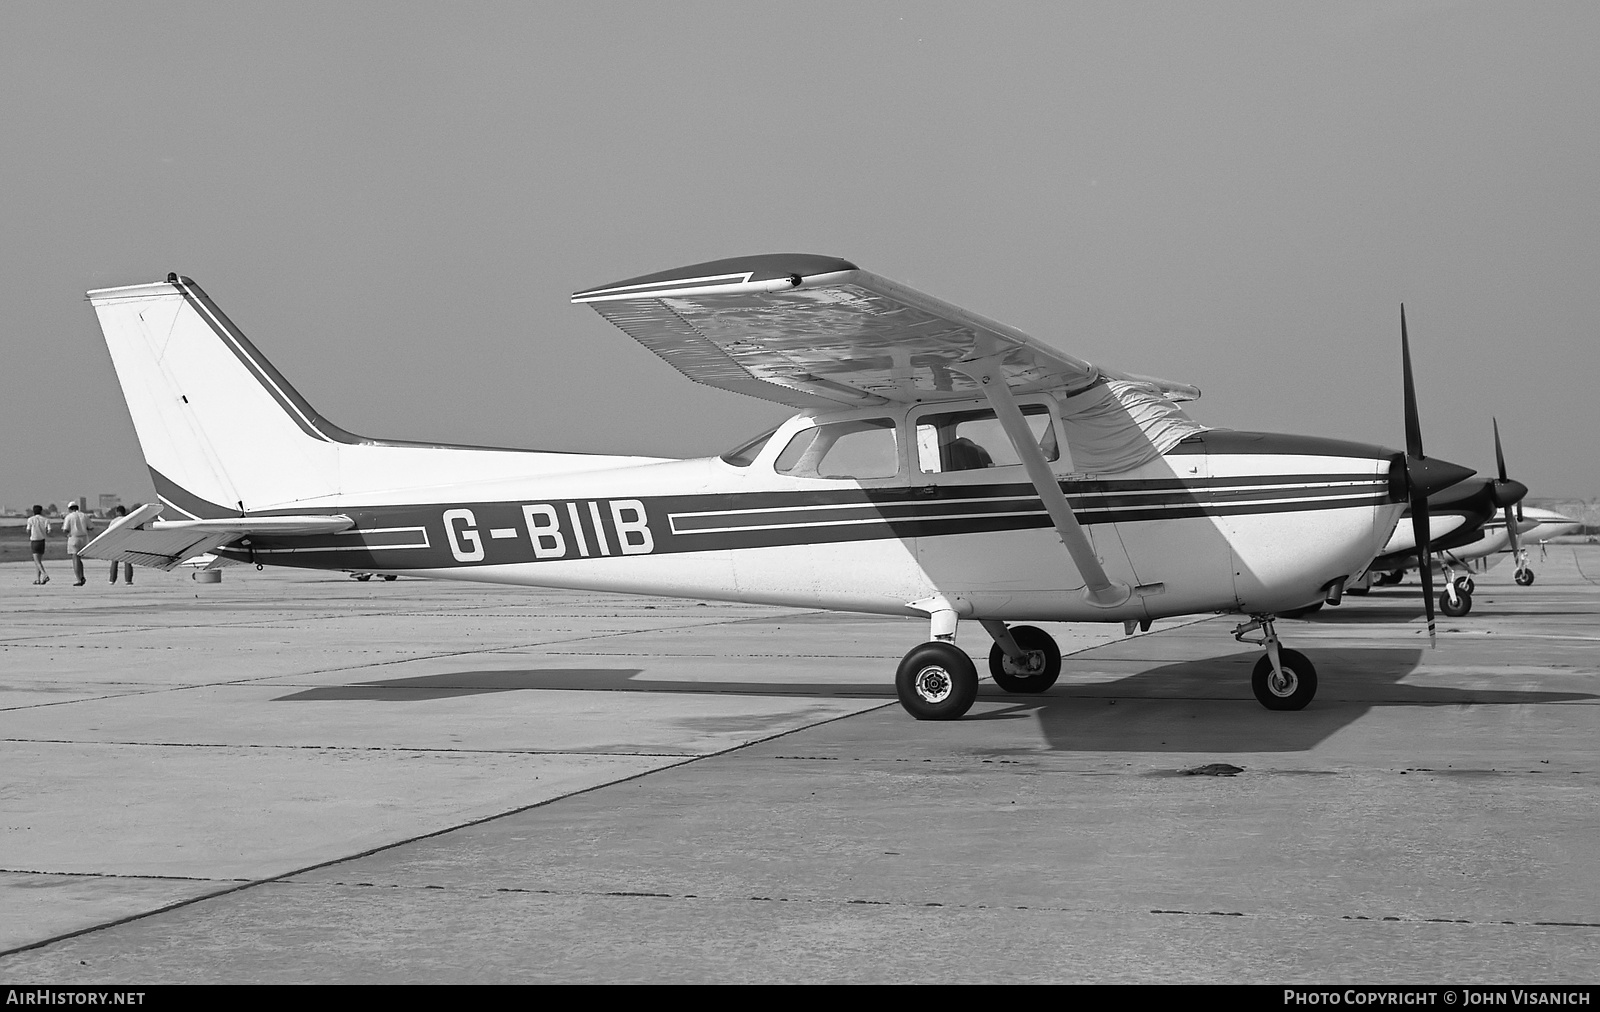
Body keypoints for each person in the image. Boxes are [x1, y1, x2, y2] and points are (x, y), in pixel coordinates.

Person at [60, 501, 92, 586]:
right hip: (84, 538)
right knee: (79, 558)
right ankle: (82, 576)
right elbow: (91, 527)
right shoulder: (84, 515)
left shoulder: (69, 516)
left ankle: (79, 579)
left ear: (70, 509)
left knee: (75, 558)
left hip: (74, 538)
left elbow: (65, 529)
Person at [106, 505, 133, 585]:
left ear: (117, 512)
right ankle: (128, 580)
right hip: (126, 541)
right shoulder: (128, 520)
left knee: (114, 561)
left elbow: (109, 533)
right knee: (128, 562)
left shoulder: (113, 521)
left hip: (116, 542)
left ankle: (112, 580)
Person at [26, 505, 50, 585]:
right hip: (42, 541)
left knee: (36, 561)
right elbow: (49, 530)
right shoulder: (45, 519)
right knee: (38, 561)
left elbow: (28, 530)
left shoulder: (30, 519)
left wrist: (30, 536)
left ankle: (44, 574)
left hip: (34, 540)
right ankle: (38, 579)